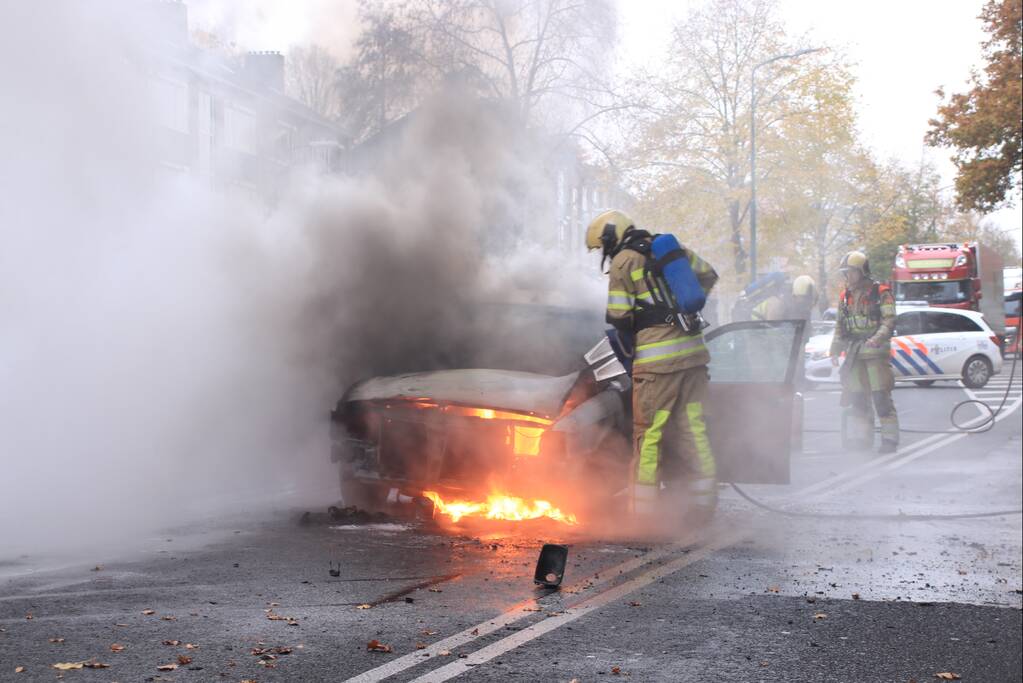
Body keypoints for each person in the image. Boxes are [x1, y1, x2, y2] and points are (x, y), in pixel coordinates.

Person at [585, 209, 719, 523]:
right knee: (694, 431)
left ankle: (641, 515)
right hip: (694, 356)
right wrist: (681, 309)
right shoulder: (673, 252)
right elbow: (709, 275)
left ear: (610, 237)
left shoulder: (624, 261)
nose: (605, 254)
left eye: (603, 247)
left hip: (657, 366)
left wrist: (646, 323)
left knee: (649, 436)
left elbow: (619, 316)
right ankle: (704, 506)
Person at [829, 251, 899, 453]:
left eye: (851, 272)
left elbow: (889, 320)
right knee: (858, 399)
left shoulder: (881, 293)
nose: (848, 276)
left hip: (875, 354)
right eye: (846, 272)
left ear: (862, 271)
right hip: (855, 353)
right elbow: (840, 326)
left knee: (881, 398)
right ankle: (863, 439)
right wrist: (835, 350)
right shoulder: (845, 296)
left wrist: (876, 339)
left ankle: (889, 440)